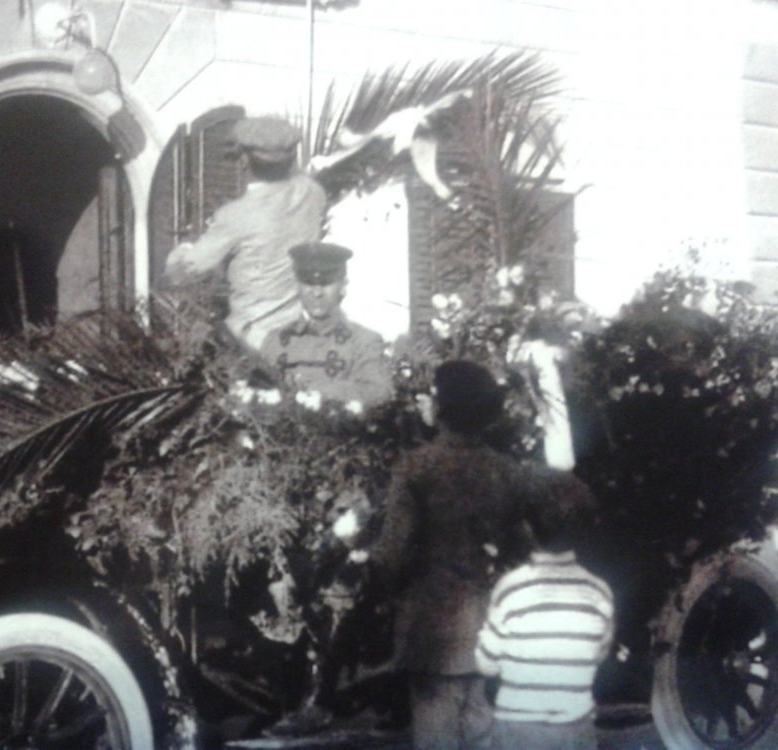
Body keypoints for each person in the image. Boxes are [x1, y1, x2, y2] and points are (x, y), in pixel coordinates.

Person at [365, 360, 531, 750]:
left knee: (436, 728)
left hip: (431, 627)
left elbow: (396, 551)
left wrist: (370, 580)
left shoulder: (417, 468)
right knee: (479, 722)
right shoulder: (504, 470)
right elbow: (522, 548)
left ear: (441, 408)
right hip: (487, 621)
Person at [163, 116, 327, 350]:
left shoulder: (237, 215)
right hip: (300, 328)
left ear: (243, 162)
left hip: (252, 335)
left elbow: (181, 273)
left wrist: (183, 249)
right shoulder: (313, 193)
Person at [475, 481, 614, 750]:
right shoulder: (599, 592)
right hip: (576, 729)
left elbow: (486, 664)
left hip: (519, 730)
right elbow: (598, 656)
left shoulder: (510, 589)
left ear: (529, 530)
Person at [259, 242, 392, 409]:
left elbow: (378, 392)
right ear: (297, 286)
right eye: (308, 283)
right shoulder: (274, 342)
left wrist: (317, 390)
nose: (317, 293)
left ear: (343, 287)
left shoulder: (364, 342)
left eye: (326, 283)